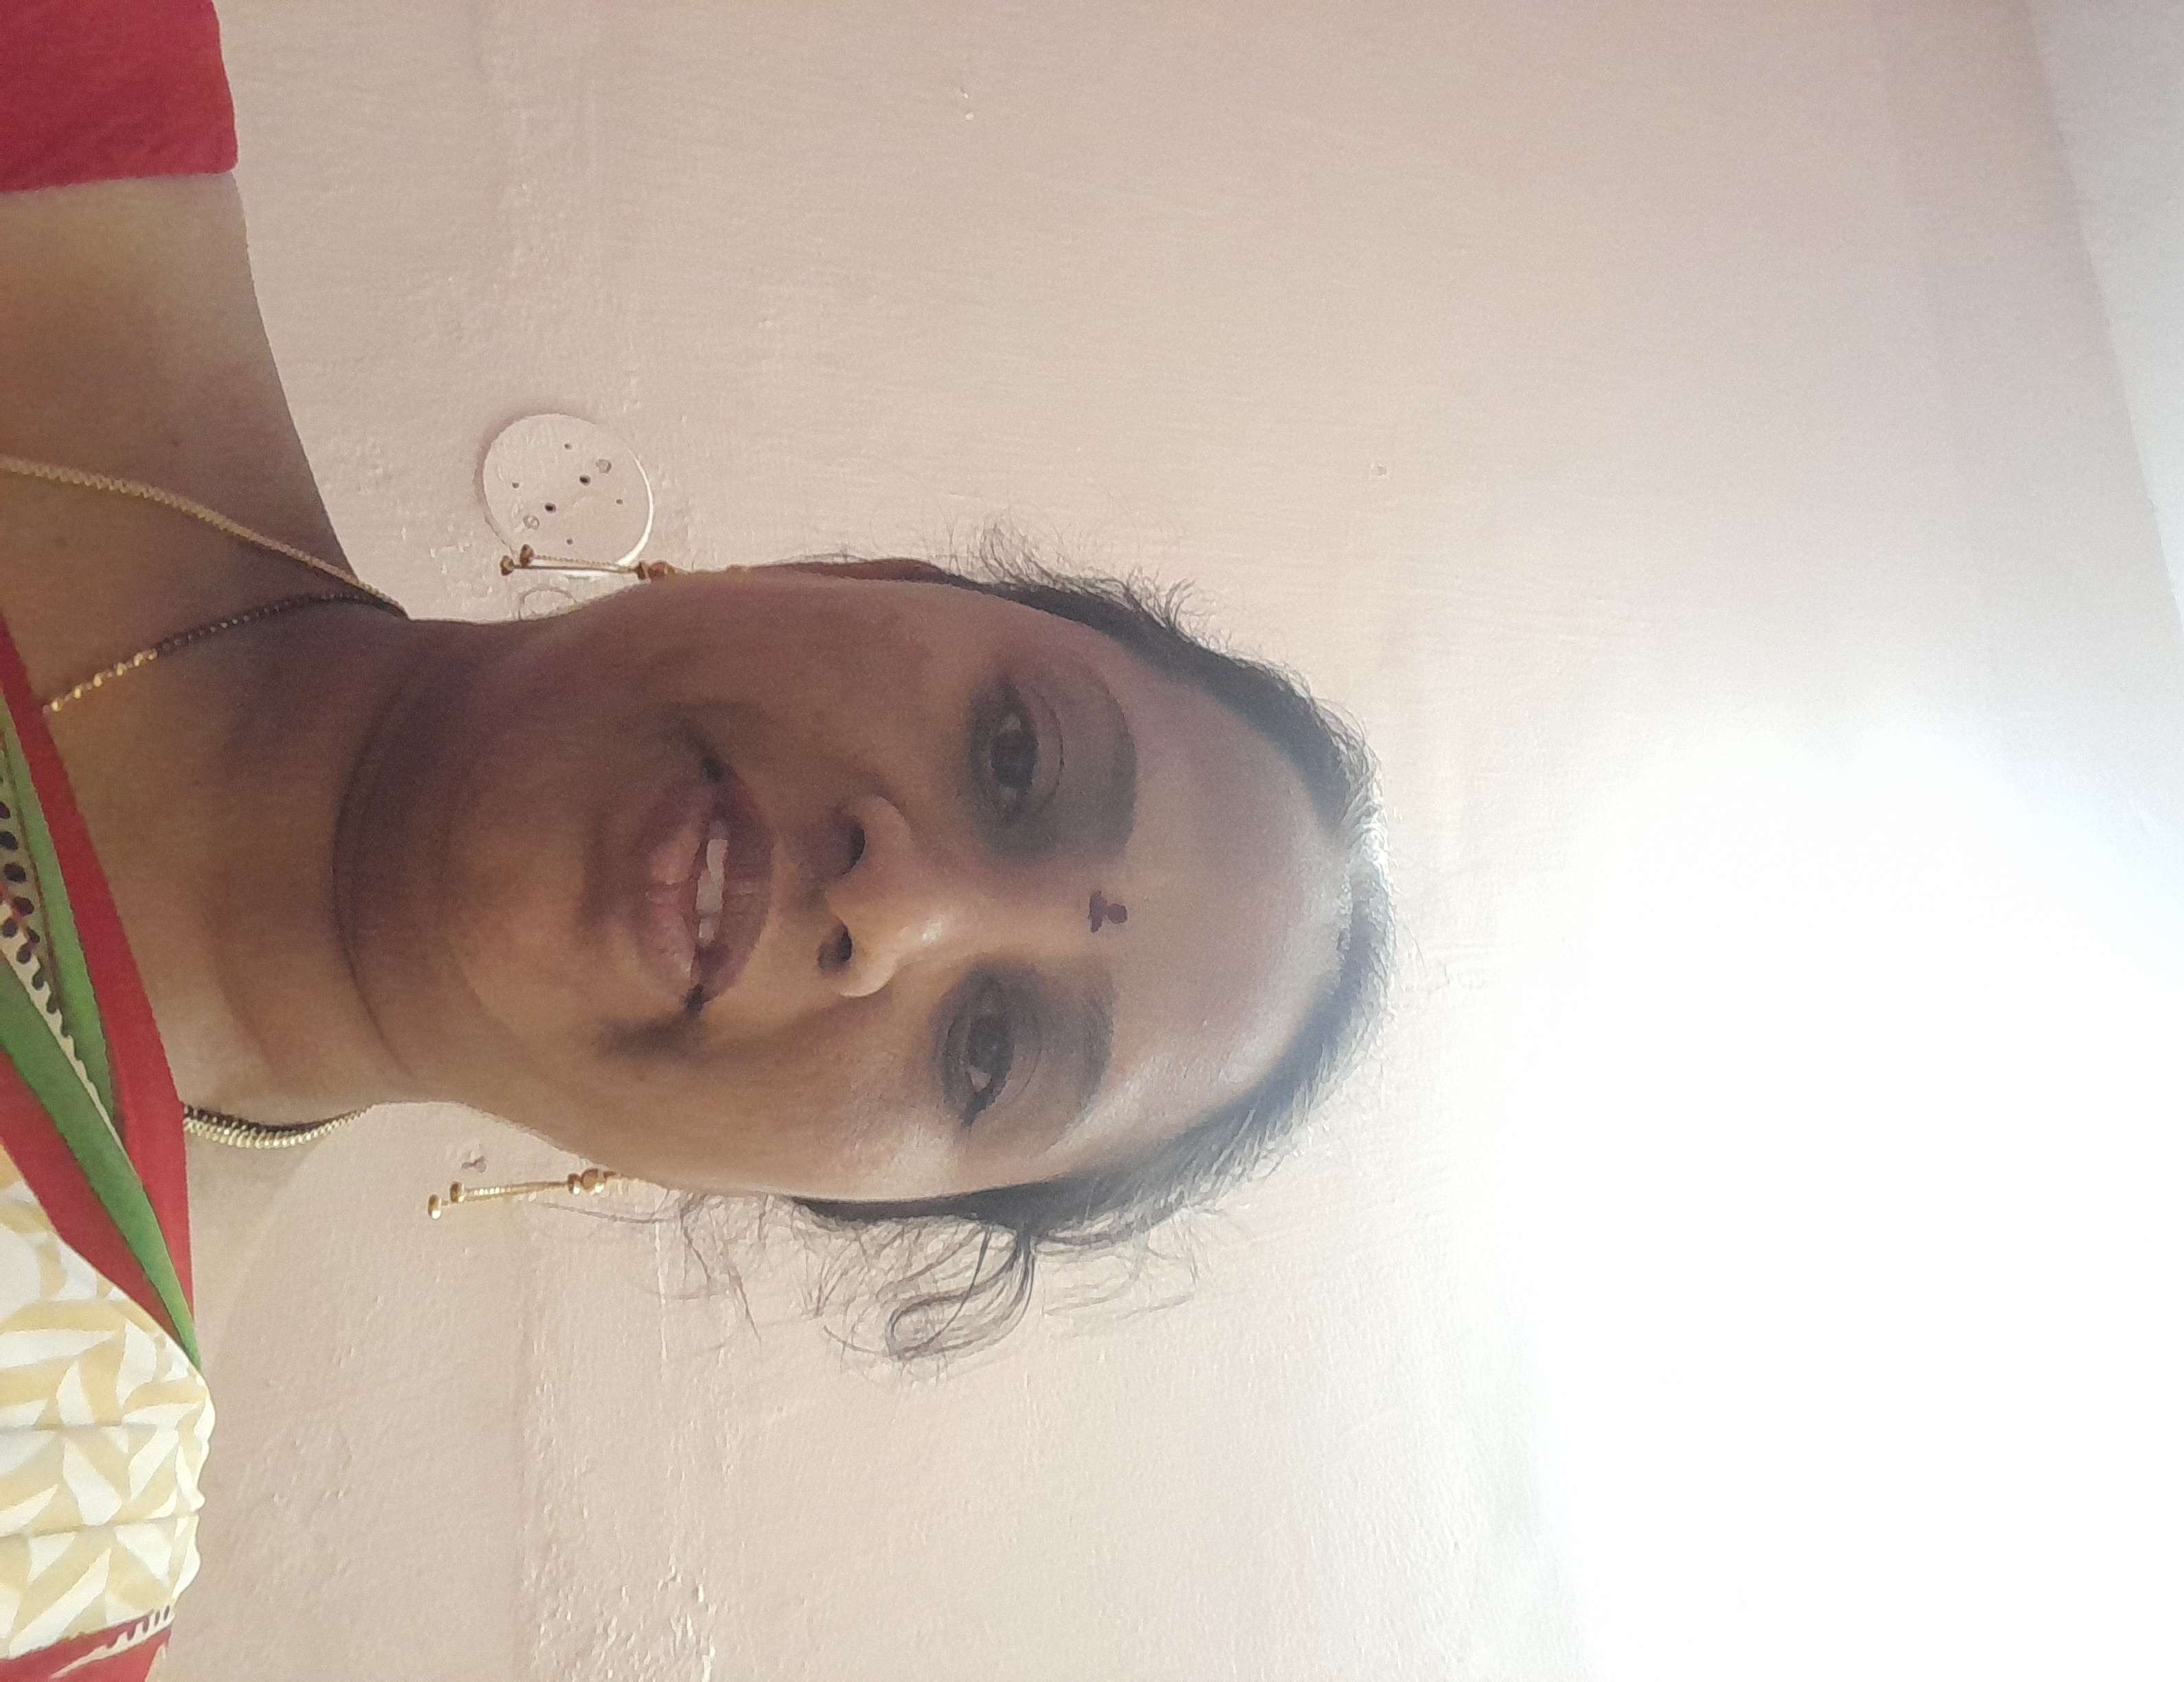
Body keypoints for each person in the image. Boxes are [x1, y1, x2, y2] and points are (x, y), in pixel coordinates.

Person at [0, 1, 1390, 1672]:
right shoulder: (64, 62)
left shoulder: (45, 1526)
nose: (900, 907)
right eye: (1016, 756)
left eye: (989, 1053)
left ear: (807, 1191)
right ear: (852, 577)